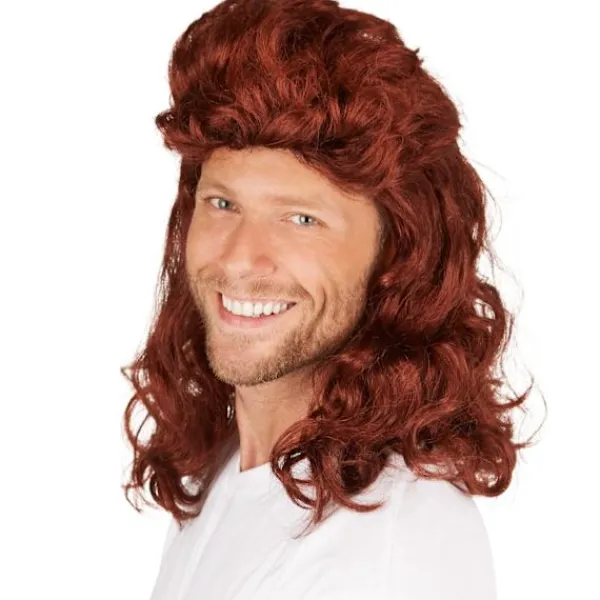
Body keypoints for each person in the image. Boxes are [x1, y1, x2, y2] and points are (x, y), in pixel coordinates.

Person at [121, 1, 540, 598]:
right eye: (223, 204)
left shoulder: (395, 544)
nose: (239, 259)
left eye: (301, 219)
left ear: (396, 257)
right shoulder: (229, 470)